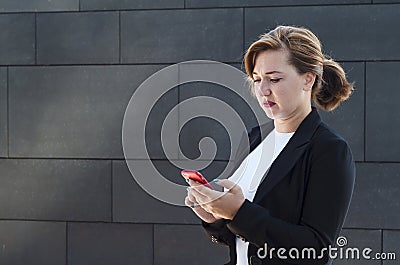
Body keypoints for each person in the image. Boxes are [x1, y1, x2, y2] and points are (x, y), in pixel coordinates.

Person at [184, 25, 356, 265]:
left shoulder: (328, 150)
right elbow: (241, 239)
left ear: (308, 79)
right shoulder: (255, 139)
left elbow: (316, 250)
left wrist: (238, 212)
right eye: (257, 79)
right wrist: (214, 219)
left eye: (275, 79)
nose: (263, 90)